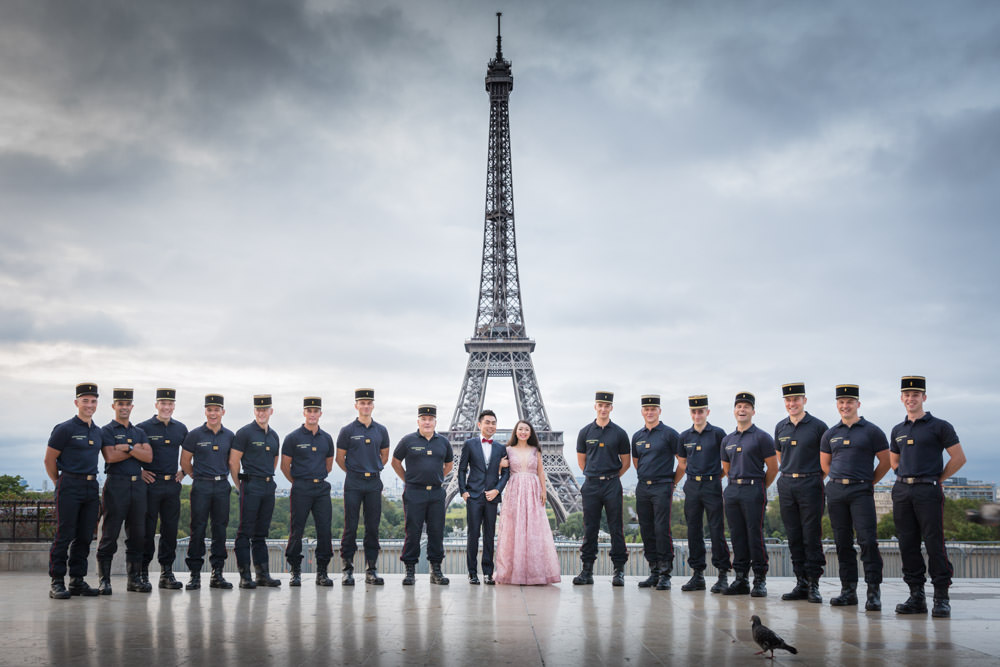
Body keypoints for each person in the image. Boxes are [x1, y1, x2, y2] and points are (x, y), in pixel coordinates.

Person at [890, 375, 967, 618]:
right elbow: (894, 460)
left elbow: (958, 458)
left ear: (924, 397)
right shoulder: (898, 430)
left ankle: (941, 598)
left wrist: (938, 479)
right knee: (907, 544)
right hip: (902, 491)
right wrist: (905, 478)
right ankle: (916, 597)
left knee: (934, 543)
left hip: (928, 489)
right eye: (907, 395)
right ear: (901, 398)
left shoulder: (940, 426)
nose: (911, 398)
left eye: (915, 395)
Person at [820, 384, 890, 611]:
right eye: (841, 402)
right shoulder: (830, 433)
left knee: (868, 541)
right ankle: (848, 590)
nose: (845, 406)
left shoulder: (872, 431)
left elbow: (886, 461)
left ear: (858, 404)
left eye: (849, 402)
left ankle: (873, 591)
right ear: (837, 405)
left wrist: (868, 482)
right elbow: (825, 464)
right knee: (842, 543)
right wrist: (840, 480)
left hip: (861, 491)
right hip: (837, 491)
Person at [43, 382, 103, 599]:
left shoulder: (97, 432)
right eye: (85, 401)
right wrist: (59, 481)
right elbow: (49, 459)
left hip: (91, 486)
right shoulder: (65, 429)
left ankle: (77, 580)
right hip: (69, 484)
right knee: (64, 534)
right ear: (76, 402)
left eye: (93, 401)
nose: (89, 405)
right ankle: (57, 581)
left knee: (85, 536)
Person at [773, 382, 828, 603]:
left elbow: (826, 460)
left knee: (811, 536)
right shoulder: (780, 427)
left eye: (796, 399)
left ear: (804, 400)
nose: (792, 403)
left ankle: (814, 583)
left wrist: (811, 477)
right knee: (794, 536)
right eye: (788, 400)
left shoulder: (818, 426)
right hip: (787, 485)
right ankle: (801, 583)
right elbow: (780, 456)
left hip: (811, 484)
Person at [96, 388, 153, 594]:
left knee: (138, 534)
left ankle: (134, 579)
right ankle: (104, 580)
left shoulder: (139, 432)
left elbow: (148, 457)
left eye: (127, 404)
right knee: (110, 534)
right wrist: (136, 450)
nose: (124, 407)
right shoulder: (106, 430)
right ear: (114, 406)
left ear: (132, 407)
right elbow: (110, 456)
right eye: (120, 404)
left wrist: (127, 448)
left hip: (137, 485)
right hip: (116, 484)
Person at [721, 391, 778, 597]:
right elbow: (726, 467)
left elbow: (773, 468)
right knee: (737, 535)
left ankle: (760, 579)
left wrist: (760, 486)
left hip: (754, 488)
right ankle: (741, 578)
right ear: (734, 410)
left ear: (753, 411)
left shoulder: (762, 437)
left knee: (754, 534)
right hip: (733, 489)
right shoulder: (728, 439)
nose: (742, 410)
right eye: (739, 406)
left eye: (746, 406)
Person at [391, 404, 454, 586]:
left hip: (436, 492)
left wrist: (438, 477)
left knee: (436, 532)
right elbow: (395, 462)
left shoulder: (443, 442)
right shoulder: (407, 440)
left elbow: (449, 465)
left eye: (430, 419)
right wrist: (408, 479)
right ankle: (410, 570)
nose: (427, 422)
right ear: (418, 421)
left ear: (435, 421)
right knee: (413, 531)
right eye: (424, 419)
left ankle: (436, 570)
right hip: (414, 492)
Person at [574, 391, 630, 586]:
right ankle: (587, 570)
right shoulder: (585, 432)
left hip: (612, 483)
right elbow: (582, 462)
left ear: (611, 408)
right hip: (591, 484)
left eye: (607, 406)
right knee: (590, 528)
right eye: (600, 405)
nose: (603, 409)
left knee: (616, 528)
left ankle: (619, 571)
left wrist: (610, 477)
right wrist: (596, 475)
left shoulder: (620, 433)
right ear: (595, 407)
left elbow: (626, 462)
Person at [494, 420, 561, 585]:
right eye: (520, 429)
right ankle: (513, 572)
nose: (523, 432)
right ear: (516, 432)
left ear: (530, 433)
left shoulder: (535, 450)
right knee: (514, 529)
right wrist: (499, 465)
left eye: (526, 429)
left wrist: (544, 491)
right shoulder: (507, 450)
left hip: (532, 490)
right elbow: (498, 473)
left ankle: (534, 573)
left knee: (534, 529)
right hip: (515, 491)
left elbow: (540, 471)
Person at [336, 388, 391, 586]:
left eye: (369, 403)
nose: (365, 406)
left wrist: (372, 469)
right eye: (362, 403)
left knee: (372, 528)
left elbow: (384, 456)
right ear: (356, 406)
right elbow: (339, 458)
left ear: (373, 405)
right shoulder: (347, 431)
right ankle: (347, 569)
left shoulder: (381, 430)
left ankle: (371, 569)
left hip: (373, 482)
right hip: (354, 482)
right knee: (350, 527)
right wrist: (355, 471)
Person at [677, 395, 731, 593]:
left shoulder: (718, 434)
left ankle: (722, 573)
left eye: (701, 411)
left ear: (707, 412)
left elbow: (726, 463)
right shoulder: (684, 437)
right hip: (692, 486)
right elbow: (682, 463)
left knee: (717, 530)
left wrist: (715, 477)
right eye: (694, 411)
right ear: (690, 413)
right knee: (693, 531)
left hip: (711, 485)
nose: (697, 414)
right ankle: (697, 574)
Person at [181, 393, 235, 590]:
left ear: (223, 412)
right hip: (201, 485)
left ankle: (217, 573)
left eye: (217, 410)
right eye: (210, 409)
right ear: (205, 411)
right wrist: (197, 476)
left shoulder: (230, 436)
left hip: (222, 486)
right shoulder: (195, 434)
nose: (213, 413)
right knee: (198, 529)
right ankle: (195, 574)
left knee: (220, 529)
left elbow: (233, 461)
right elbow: (185, 462)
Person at [281, 396, 335, 587]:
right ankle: (295, 571)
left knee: (324, 530)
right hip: (301, 487)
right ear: (304, 412)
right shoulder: (293, 438)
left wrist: (314, 479)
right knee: (297, 530)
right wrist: (299, 482)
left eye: (316, 411)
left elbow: (328, 466)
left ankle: (322, 572)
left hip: (320, 488)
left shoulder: (327, 438)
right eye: (309, 411)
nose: (312, 414)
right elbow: (284, 466)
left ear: (320, 413)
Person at [631, 395, 684, 590]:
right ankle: (654, 570)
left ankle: (665, 573)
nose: (650, 412)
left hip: (662, 486)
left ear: (659, 411)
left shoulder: (670, 434)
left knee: (662, 529)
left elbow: (682, 462)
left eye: (653, 408)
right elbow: (637, 463)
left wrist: (672, 482)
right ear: (642, 411)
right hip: (643, 486)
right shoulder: (637, 436)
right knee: (646, 529)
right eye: (646, 409)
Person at [229, 394, 281, 589]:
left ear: (271, 411)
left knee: (261, 534)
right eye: (258, 409)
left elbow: (274, 461)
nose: (261, 412)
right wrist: (239, 485)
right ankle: (245, 576)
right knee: (244, 533)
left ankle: (263, 575)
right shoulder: (244, 433)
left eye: (265, 409)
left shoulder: (274, 435)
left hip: (268, 486)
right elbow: (233, 462)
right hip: (250, 485)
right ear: (254, 411)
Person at [139, 388, 188, 590]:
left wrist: (184, 472)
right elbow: (131, 452)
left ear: (174, 406)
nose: (166, 407)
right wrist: (139, 471)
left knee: (170, 531)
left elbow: (191, 453)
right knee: (147, 530)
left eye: (170, 404)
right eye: (163, 404)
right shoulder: (143, 428)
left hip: (172, 485)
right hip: (151, 485)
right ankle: (142, 572)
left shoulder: (181, 429)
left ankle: (166, 573)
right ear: (156, 405)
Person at [458, 409, 510, 584]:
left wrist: (497, 490)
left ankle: (488, 572)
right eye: (487, 422)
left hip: (492, 497)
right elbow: (462, 469)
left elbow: (506, 473)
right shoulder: (469, 444)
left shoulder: (501, 448)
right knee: (473, 535)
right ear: (479, 425)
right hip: (474, 496)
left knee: (489, 535)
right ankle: (472, 572)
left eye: (493, 423)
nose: (491, 425)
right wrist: (463, 491)